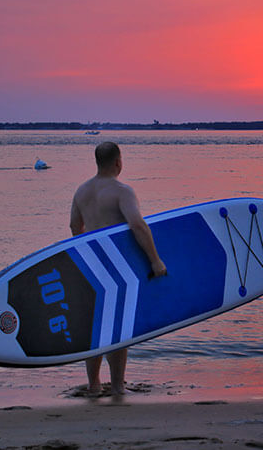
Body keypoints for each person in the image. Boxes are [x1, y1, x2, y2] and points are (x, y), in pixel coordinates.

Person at [69, 141, 167, 396]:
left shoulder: (81, 191)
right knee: (118, 328)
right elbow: (137, 225)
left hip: (93, 265)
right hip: (117, 266)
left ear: (97, 162)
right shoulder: (122, 191)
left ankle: (93, 384)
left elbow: (74, 227)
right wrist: (155, 260)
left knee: (96, 324)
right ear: (118, 162)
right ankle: (117, 386)